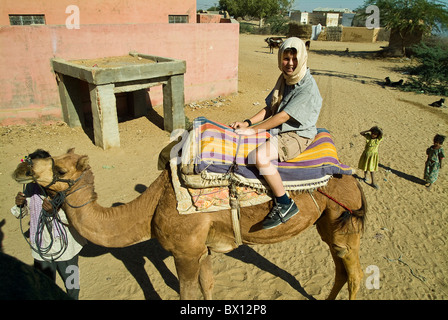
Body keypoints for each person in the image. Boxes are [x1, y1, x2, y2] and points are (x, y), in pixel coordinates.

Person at [230, 37, 323, 229]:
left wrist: (252, 131)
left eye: (294, 59)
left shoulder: (307, 86)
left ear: (302, 58)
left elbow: (282, 116)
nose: (290, 64)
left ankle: (284, 203)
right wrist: (246, 122)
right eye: (286, 58)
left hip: (297, 134)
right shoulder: (285, 79)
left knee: (259, 157)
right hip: (279, 128)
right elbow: (270, 108)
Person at [11, 149, 87, 299]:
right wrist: (20, 205)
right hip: (42, 248)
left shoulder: (64, 187)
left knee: (72, 286)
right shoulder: (31, 188)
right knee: (43, 287)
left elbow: (76, 218)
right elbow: (22, 213)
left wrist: (55, 212)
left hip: (66, 248)